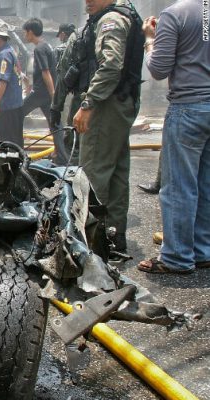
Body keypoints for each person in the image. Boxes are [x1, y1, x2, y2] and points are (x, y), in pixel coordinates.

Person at [137, 0, 210, 275]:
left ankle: (177, 257)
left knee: (179, 186)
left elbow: (158, 68)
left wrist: (149, 39)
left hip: (189, 108)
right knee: (205, 184)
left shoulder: (175, 14)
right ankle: (202, 251)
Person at [71, 0, 144, 256]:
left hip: (106, 105)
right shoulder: (126, 15)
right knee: (116, 171)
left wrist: (88, 104)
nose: (87, 1)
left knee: (92, 173)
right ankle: (114, 237)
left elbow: (111, 65)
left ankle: (93, 243)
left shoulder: (110, 20)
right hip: (122, 101)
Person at [50, 25, 81, 165]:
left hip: (72, 95)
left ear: (63, 34)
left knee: (72, 135)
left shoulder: (67, 45)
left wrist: (55, 106)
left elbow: (61, 76)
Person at [21, 18, 56, 131]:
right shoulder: (46, 46)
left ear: (30, 32)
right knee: (54, 124)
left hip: (40, 92)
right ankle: (61, 148)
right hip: (45, 93)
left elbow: (45, 72)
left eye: (25, 32)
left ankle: (14, 144)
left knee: (16, 114)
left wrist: (53, 94)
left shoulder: (39, 49)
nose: (24, 35)